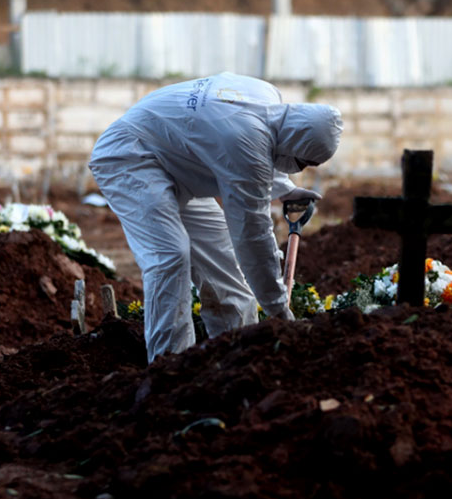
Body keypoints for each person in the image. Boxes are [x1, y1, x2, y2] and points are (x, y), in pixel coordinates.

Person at [89, 72, 343, 362]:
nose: (301, 167)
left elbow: (256, 143)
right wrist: (278, 310)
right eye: (305, 162)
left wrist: (285, 189)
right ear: (297, 144)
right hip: (128, 156)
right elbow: (252, 236)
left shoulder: (266, 95)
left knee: (222, 262)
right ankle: (169, 365)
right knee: (170, 255)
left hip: (175, 161)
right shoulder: (244, 141)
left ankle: (238, 358)